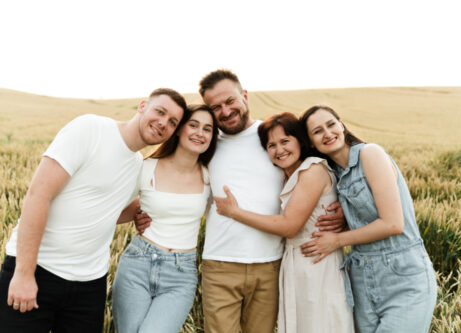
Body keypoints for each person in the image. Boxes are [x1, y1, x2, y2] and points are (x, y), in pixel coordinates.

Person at [136, 70, 345, 333]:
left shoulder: (271, 136)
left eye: (230, 101)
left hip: (270, 264)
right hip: (220, 264)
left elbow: (321, 168)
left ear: (244, 96)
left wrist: (343, 212)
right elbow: (173, 177)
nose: (225, 111)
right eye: (216, 107)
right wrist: (141, 212)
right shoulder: (206, 143)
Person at [0, 88, 187, 333]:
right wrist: (24, 273)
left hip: (89, 286)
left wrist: (143, 211)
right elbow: (38, 196)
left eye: (172, 122)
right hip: (38, 270)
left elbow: (110, 210)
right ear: (143, 106)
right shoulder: (91, 130)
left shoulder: (138, 166)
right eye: (160, 111)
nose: (163, 123)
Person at [299, 105, 438, 333]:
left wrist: (336, 240)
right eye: (317, 131)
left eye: (331, 124)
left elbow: (393, 223)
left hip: (403, 276)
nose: (327, 133)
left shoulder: (370, 153)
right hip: (362, 279)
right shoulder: (333, 175)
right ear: (311, 143)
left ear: (341, 125)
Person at [214, 112, 354, 333]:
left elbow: (289, 226)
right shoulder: (288, 175)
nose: (279, 150)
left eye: (285, 141)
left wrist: (234, 212)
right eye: (272, 145)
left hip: (317, 263)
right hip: (294, 265)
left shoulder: (313, 169)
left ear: (300, 140)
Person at [111, 104, 217, 333]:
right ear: (178, 129)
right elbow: (112, 209)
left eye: (207, 129)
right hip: (138, 263)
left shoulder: (210, 176)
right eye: (194, 125)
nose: (200, 133)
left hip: (181, 273)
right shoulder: (146, 168)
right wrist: (137, 213)